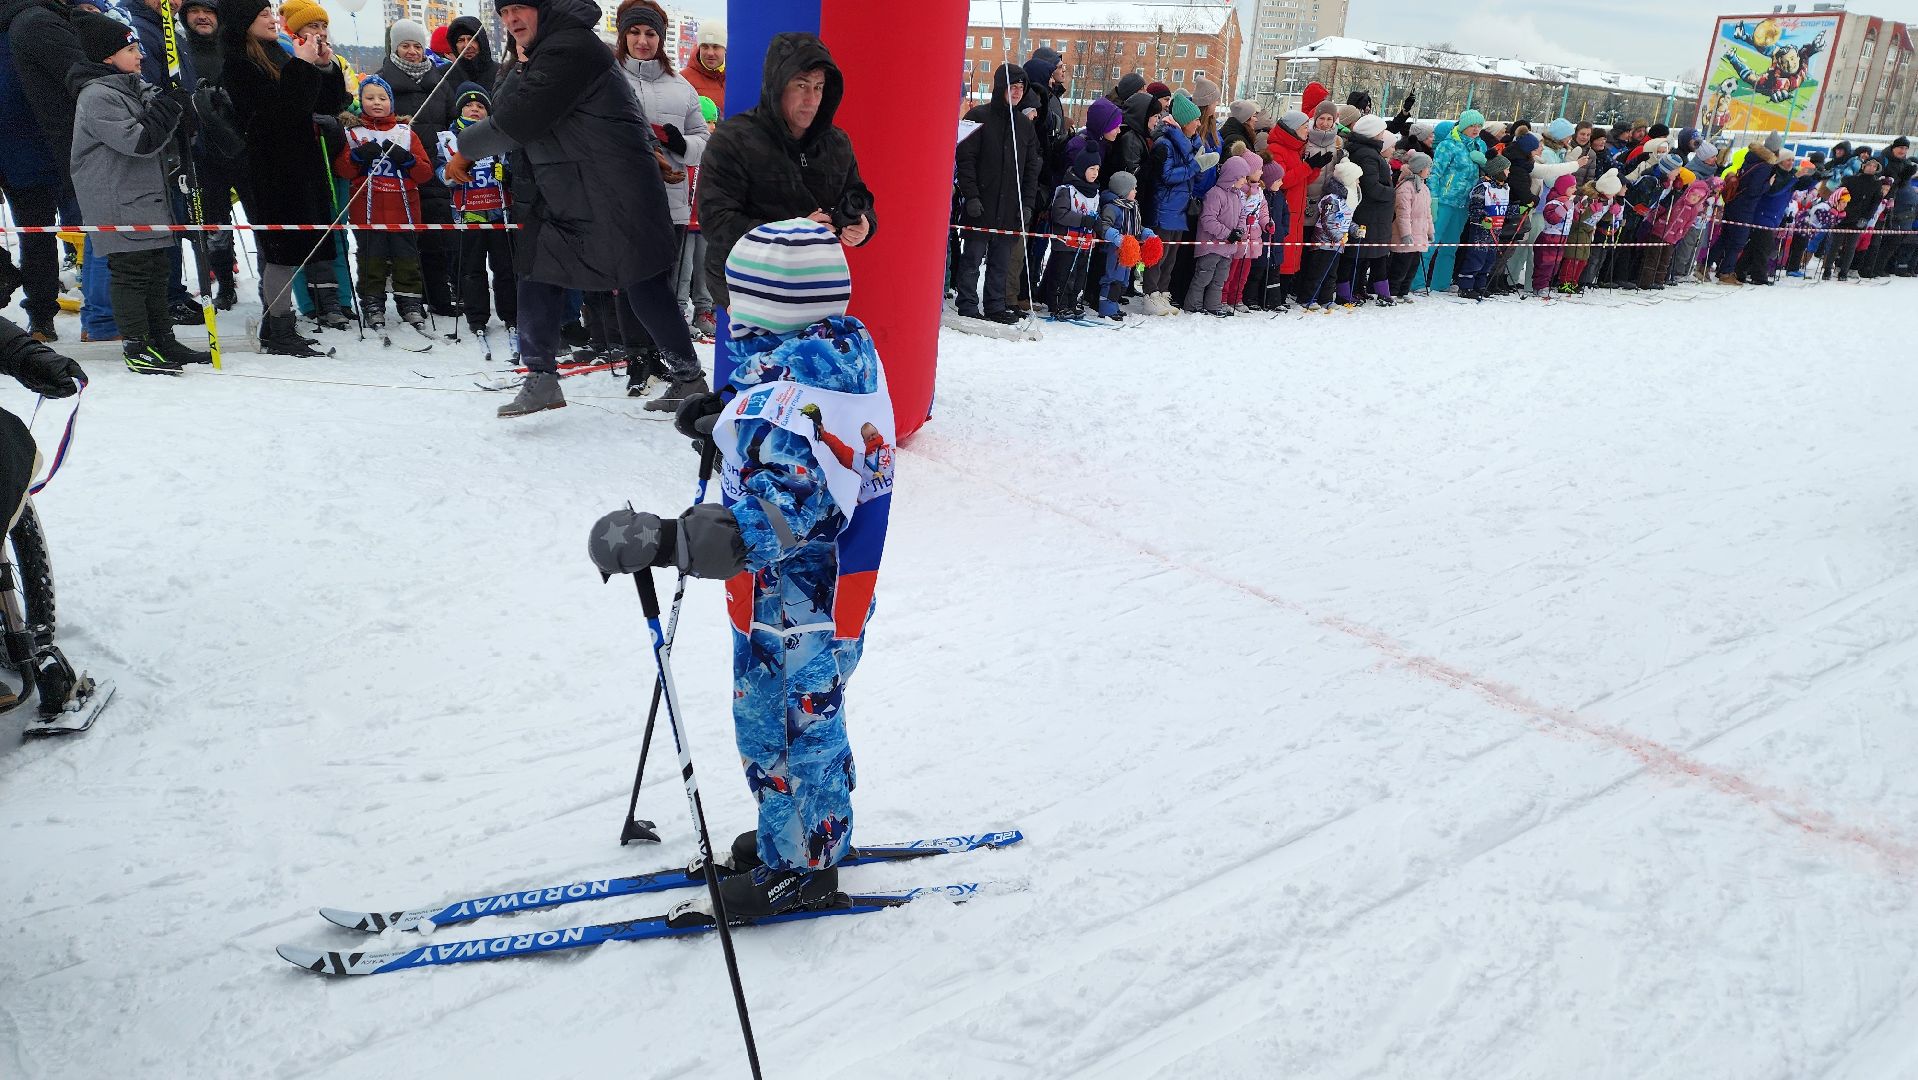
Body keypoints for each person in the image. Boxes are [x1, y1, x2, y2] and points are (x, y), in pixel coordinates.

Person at [588, 218, 894, 918]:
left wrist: (671, 542)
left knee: (788, 734)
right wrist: (728, 418)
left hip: (797, 611)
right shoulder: (831, 365)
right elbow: (801, 438)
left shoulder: (792, 402)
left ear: (765, 308)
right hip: (813, 600)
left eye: (737, 298)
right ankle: (798, 833)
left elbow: (781, 512)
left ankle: (801, 866)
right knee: (790, 726)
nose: (730, 313)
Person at [450, 0, 702, 418]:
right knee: (538, 269)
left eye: (520, 8)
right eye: (504, 12)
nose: (511, 19)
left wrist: (464, 150)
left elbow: (519, 120)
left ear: (544, 8)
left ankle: (688, 378)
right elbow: (511, 104)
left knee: (643, 282)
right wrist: (520, 65)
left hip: (614, 190)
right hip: (573, 189)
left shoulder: (571, 48)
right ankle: (542, 377)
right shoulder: (546, 51)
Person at [697, 31, 875, 367]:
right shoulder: (733, 140)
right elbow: (716, 220)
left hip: (813, 290)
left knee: (810, 385)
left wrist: (863, 226)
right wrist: (794, 232)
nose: (811, 99)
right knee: (760, 380)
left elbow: (857, 195)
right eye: (801, 85)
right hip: (750, 285)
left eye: (819, 87)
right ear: (777, 85)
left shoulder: (837, 143)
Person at [68, 12, 211, 375]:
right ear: (107, 57)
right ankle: (136, 344)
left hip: (145, 197)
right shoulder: (98, 96)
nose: (140, 55)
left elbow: (164, 124)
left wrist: (182, 110)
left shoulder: (133, 87)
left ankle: (161, 337)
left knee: (157, 270)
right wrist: (167, 109)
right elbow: (139, 140)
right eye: (131, 49)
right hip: (117, 200)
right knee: (131, 273)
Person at [219, 0, 348, 355]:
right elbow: (280, 112)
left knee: (296, 249)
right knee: (281, 251)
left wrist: (324, 67)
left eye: (271, 12)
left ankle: (278, 326)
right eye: (263, 14)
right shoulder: (238, 64)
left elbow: (325, 105)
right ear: (244, 21)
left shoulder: (278, 54)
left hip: (300, 165)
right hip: (271, 169)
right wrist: (302, 66)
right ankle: (278, 328)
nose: (273, 19)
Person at [615, 0, 710, 387]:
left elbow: (704, 140)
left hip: (670, 200)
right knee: (631, 283)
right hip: (622, 199)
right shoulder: (609, 79)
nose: (643, 41)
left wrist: (680, 143)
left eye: (650, 33)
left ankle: (661, 354)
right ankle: (637, 357)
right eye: (635, 33)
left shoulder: (681, 87)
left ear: (661, 38)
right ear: (623, 36)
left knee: (663, 284)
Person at [0, 0, 88, 341]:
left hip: (50, 145)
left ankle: (60, 314)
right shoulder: (34, 19)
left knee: (55, 233)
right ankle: (39, 314)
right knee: (36, 235)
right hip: (24, 151)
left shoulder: (36, 21)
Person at [333, 75, 434, 331]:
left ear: (391, 102)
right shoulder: (354, 133)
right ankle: (372, 303)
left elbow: (425, 173)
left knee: (406, 259)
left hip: (403, 209)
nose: (376, 102)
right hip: (368, 210)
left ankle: (410, 302)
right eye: (369, 98)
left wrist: (407, 159)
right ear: (361, 101)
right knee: (372, 259)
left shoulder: (405, 132)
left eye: (382, 98)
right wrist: (358, 156)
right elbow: (343, 170)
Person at [378, 18, 460, 319]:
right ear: (394, 48)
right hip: (400, 170)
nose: (412, 51)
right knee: (405, 241)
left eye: (416, 45)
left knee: (437, 237)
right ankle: (410, 300)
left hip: (435, 169)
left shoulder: (440, 81)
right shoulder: (382, 81)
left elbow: (452, 121)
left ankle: (439, 297)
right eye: (405, 46)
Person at [953, 62, 1039, 324]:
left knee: (1001, 262)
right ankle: (967, 303)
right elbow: (965, 160)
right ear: (1001, 86)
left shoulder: (1024, 126)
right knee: (972, 258)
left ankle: (995, 305)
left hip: (1010, 207)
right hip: (981, 202)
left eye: (1021, 87)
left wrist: (1027, 204)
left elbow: (1031, 169)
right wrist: (971, 196)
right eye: (1012, 86)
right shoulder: (978, 117)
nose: (1017, 92)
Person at [439, 83, 515, 339]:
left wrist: (507, 174)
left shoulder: (499, 136)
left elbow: (513, 167)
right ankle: (477, 317)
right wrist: (453, 173)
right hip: (467, 213)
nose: (474, 109)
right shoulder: (449, 138)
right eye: (469, 105)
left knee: (505, 268)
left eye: (480, 106)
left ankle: (511, 314)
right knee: (472, 270)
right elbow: (441, 174)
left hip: (498, 213)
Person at [1141, 91, 1201, 315]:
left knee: (1171, 256)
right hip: (1164, 207)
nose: (1198, 123)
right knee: (1158, 254)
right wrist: (1194, 166)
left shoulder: (1190, 144)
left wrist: (1200, 166)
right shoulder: (1165, 144)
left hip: (1180, 207)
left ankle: (1163, 291)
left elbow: (1192, 175)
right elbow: (1165, 176)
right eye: (1195, 119)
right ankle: (1150, 293)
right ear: (1184, 122)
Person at [1421, 109, 1485, 292]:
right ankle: (1417, 282)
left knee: (1450, 246)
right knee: (1431, 243)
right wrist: (1433, 198)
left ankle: (1440, 284)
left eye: (1479, 126)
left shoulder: (1478, 146)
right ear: (1463, 126)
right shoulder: (1448, 145)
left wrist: (1484, 162)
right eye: (1472, 125)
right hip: (1444, 200)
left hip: (1464, 203)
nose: (1476, 129)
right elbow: (1435, 173)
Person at [1045, 149, 1100, 319]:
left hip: (1084, 243)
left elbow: (1094, 213)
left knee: (1079, 276)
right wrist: (1083, 220)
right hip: (1066, 242)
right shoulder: (1067, 190)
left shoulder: (1095, 192)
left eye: (1097, 169)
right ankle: (1059, 304)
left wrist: (1096, 225)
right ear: (1082, 168)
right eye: (1091, 169)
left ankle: (1072, 302)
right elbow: (1059, 214)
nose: (1095, 173)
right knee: (1064, 274)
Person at [1297, 159, 1357, 311]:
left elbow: (1346, 218)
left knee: (1331, 273)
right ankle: (1308, 298)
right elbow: (1327, 221)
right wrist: (1338, 237)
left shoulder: (1347, 199)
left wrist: (1355, 230)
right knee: (1318, 272)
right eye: (1356, 179)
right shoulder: (1331, 199)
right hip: (1324, 243)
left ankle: (1326, 298)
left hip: (1337, 245)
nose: (1358, 182)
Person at [1455, 155, 1510, 301]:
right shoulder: (1483, 187)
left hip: (1495, 231)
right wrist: (1482, 218)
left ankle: (1480, 286)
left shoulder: (1504, 188)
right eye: (1506, 169)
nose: (1509, 172)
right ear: (1498, 171)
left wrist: (1519, 209)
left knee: (1489, 259)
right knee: (1476, 258)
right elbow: (1474, 208)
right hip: (1481, 230)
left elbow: (1504, 208)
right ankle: (1466, 287)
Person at [1388, 151, 1433, 301]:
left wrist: (1430, 231)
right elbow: (1403, 213)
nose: (1429, 170)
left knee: (1413, 266)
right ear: (1420, 168)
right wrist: (1405, 234)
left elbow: (1427, 213)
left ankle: (1404, 291)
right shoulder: (1406, 187)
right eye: (1427, 167)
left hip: (1419, 234)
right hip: (1406, 235)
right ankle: (1393, 292)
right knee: (1401, 266)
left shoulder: (1424, 188)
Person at [681, 18, 724, 110]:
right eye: (705, 47)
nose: (710, 53)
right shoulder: (683, 80)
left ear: (725, 49)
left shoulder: (737, 77)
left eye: (715, 47)